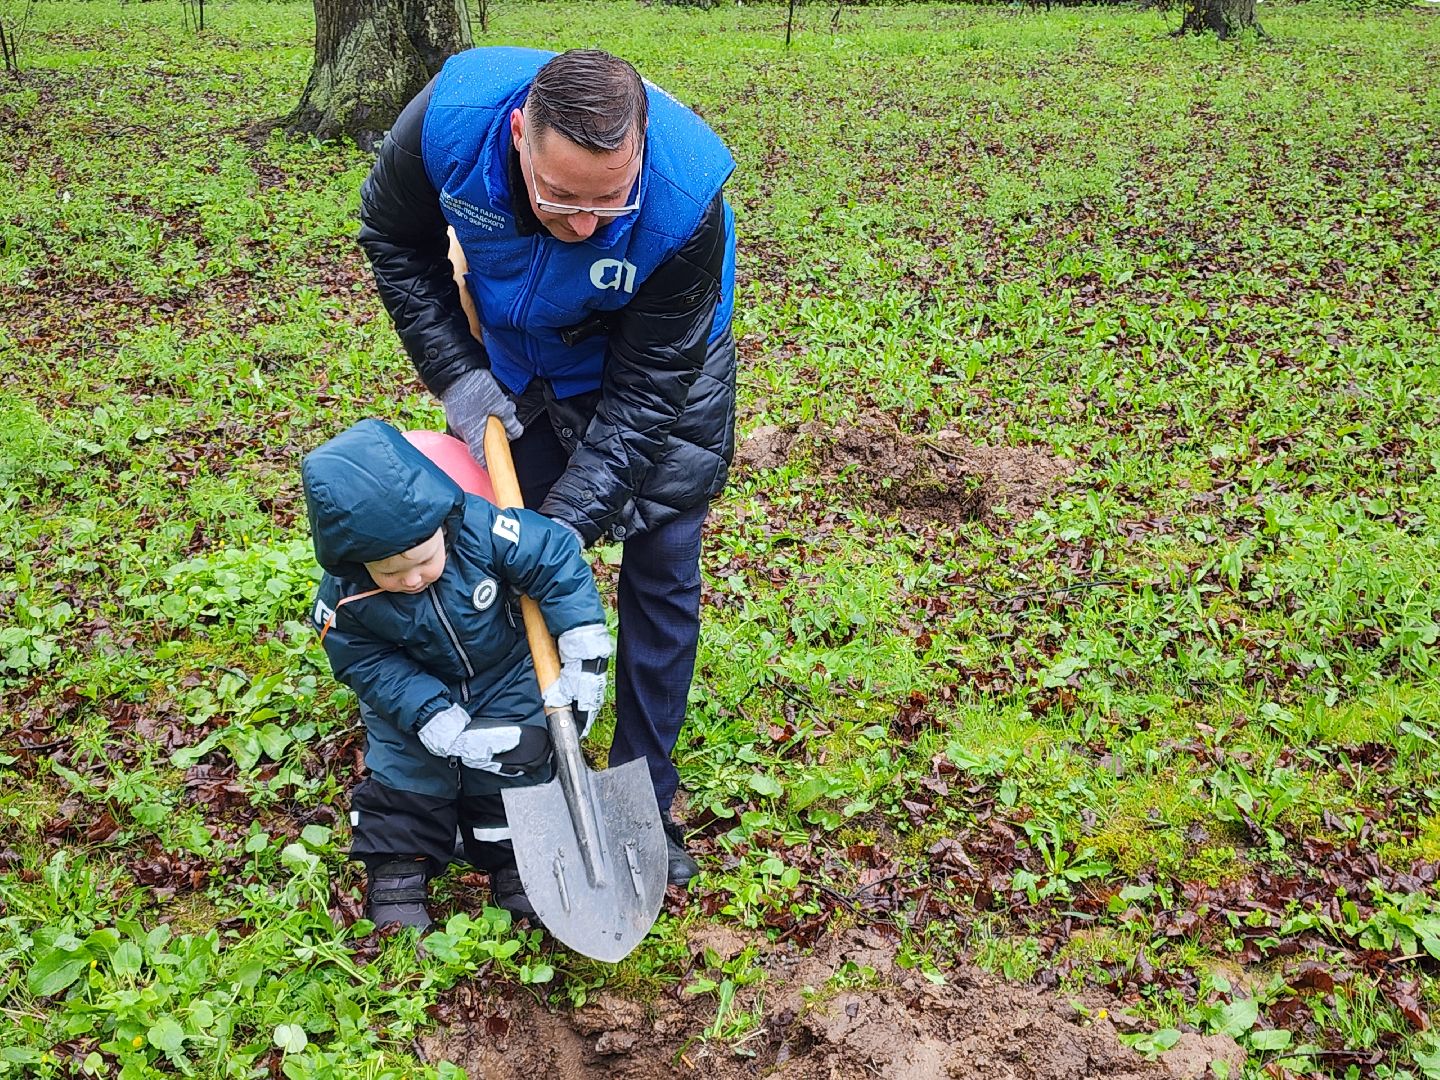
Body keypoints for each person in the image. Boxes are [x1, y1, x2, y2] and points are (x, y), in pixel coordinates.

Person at [356, 46, 738, 885]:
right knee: (500, 567)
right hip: (521, 355)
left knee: (663, 574)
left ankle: (646, 789)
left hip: (663, 367)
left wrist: (563, 530)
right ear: (521, 136)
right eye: (561, 198)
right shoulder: (446, 128)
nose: (586, 225)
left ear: (641, 149)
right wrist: (458, 373)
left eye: (612, 201)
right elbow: (394, 238)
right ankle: (519, 777)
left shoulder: (684, 206)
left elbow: (645, 396)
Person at [303, 418, 612, 930]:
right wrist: (434, 718)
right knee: (406, 775)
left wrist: (584, 649)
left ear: (439, 522)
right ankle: (399, 869)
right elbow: (364, 661)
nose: (412, 578)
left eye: (423, 560)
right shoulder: (345, 598)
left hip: (505, 675)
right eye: (390, 573)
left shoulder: (483, 531)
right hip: (417, 692)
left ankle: (516, 864)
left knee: (523, 762)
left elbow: (556, 558)